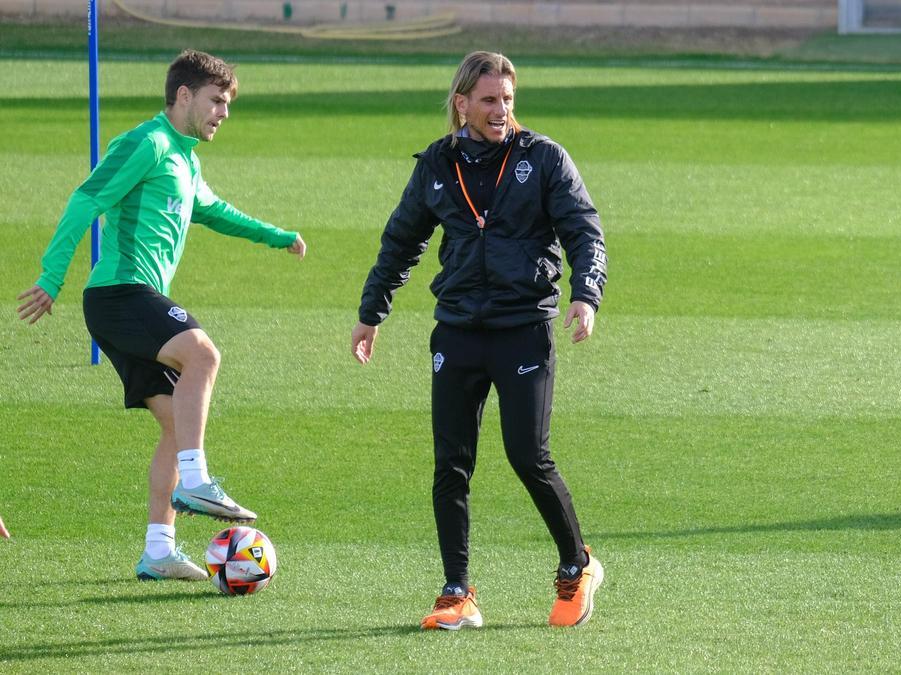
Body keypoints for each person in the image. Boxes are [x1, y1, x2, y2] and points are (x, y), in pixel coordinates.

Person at [18, 49, 306, 581]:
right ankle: (196, 481)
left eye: (227, 103)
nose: (224, 112)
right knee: (203, 354)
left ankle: (159, 549)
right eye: (217, 101)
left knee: (177, 424)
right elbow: (85, 201)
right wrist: (51, 277)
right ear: (183, 95)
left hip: (131, 300)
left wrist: (278, 237)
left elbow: (216, 212)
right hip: (118, 294)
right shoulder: (146, 143)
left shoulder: (187, 158)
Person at [351, 51, 608, 630]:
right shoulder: (437, 165)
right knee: (451, 465)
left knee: (527, 455)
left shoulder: (543, 159)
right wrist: (372, 312)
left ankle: (577, 565)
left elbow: (584, 232)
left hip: (524, 328)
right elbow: (401, 241)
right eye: (489, 100)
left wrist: (586, 296)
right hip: (459, 329)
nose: (501, 111)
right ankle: (456, 592)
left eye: (508, 100)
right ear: (461, 103)